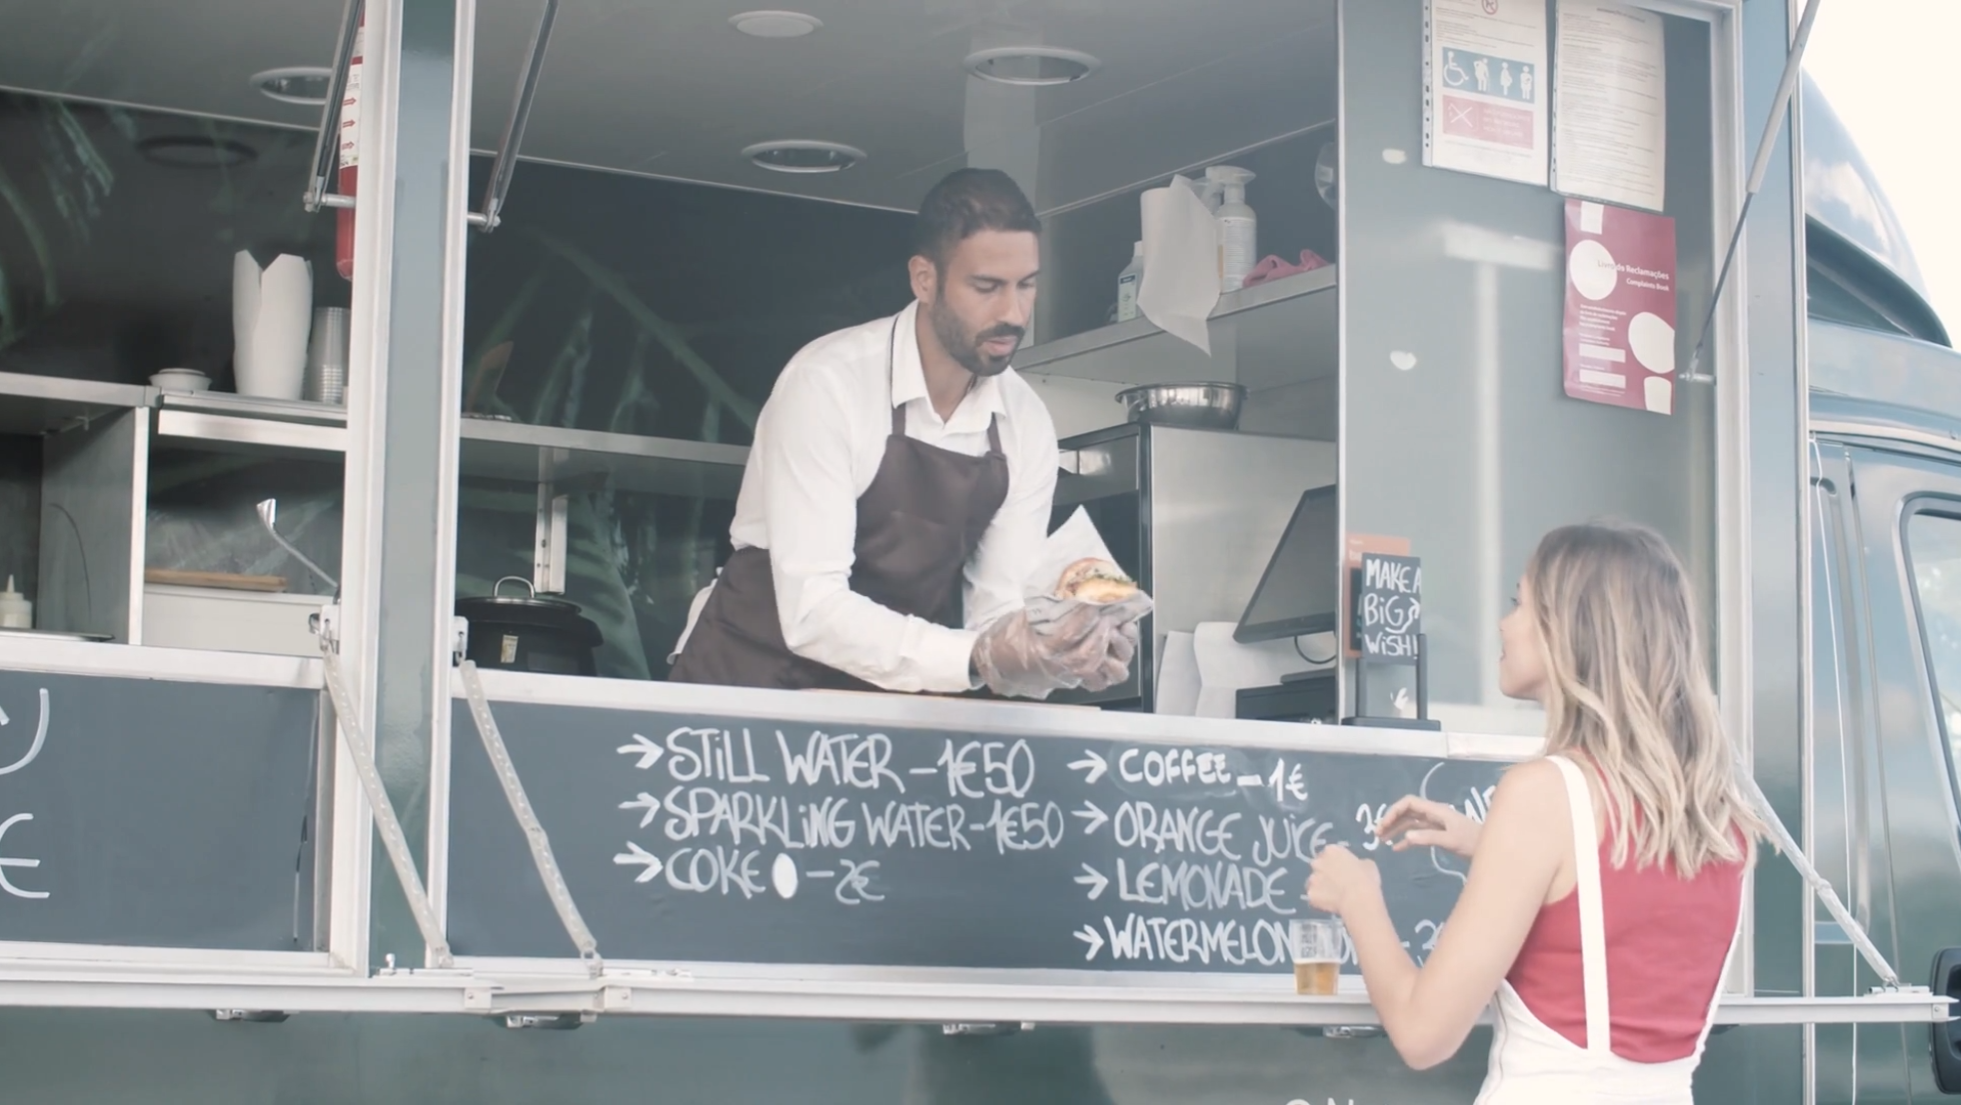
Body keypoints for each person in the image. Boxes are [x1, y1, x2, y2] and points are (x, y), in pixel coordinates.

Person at [1306, 522, 1764, 1103]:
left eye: (1519, 603)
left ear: (1572, 631)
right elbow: (1621, 903)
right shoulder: (1719, 816)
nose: (1504, 623)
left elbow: (1424, 1034)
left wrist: (1358, 898)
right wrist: (1489, 844)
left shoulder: (1543, 795)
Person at [669, 168, 1133, 698]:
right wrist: (979, 655)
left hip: (883, 708)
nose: (1013, 312)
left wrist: (1060, 653)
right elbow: (813, 611)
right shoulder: (828, 383)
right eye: (987, 287)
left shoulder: (1024, 421)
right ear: (924, 279)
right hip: (746, 691)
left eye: (1026, 285)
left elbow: (999, 616)